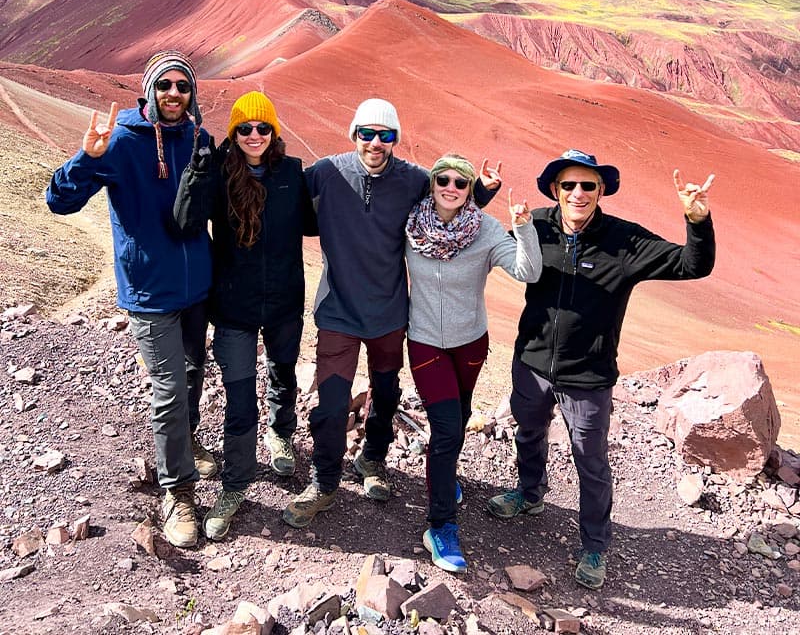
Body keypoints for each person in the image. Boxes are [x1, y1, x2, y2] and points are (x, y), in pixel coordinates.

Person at [487, 148, 716, 591]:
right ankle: (529, 493)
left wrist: (697, 220)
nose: (577, 193)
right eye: (568, 185)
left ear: (601, 191)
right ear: (555, 189)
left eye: (587, 185)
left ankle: (594, 544)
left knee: (590, 460)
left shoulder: (624, 241)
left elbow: (693, 265)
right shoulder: (533, 224)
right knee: (528, 432)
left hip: (588, 376)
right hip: (531, 362)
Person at [283, 98, 501, 528]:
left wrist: (483, 192)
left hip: (389, 314)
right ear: (354, 134)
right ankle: (325, 481)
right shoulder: (326, 173)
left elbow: (449, 201)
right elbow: (285, 205)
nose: (376, 142)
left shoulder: (413, 180)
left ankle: (372, 460)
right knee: (329, 404)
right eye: (367, 133)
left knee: (386, 394)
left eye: (385, 135)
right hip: (338, 312)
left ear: (395, 139)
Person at [46, 51, 215, 549]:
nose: (174, 94)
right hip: (150, 291)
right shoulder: (121, 142)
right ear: (149, 90)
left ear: (191, 94)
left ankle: (188, 442)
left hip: (196, 288)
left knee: (191, 375)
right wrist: (87, 159)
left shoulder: (199, 139)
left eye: (182, 86)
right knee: (167, 388)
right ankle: (177, 491)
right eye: (165, 85)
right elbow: (60, 202)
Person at [173, 92, 317, 541]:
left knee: (283, 373)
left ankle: (280, 433)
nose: (254, 136)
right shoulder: (218, 172)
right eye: (244, 129)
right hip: (233, 308)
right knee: (239, 400)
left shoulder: (293, 174)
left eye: (263, 128)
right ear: (233, 135)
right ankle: (235, 486)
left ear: (274, 132)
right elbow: (185, 221)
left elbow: (317, 224)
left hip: (284, 304)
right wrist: (198, 169)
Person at [405, 154, 543, 573]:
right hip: (424, 341)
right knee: (445, 427)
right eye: (442, 179)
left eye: (460, 183)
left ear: (469, 191)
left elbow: (528, 271)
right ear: (432, 184)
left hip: (470, 344)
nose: (450, 187)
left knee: (461, 417)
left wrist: (523, 226)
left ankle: (446, 480)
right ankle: (441, 526)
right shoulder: (410, 225)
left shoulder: (484, 230)